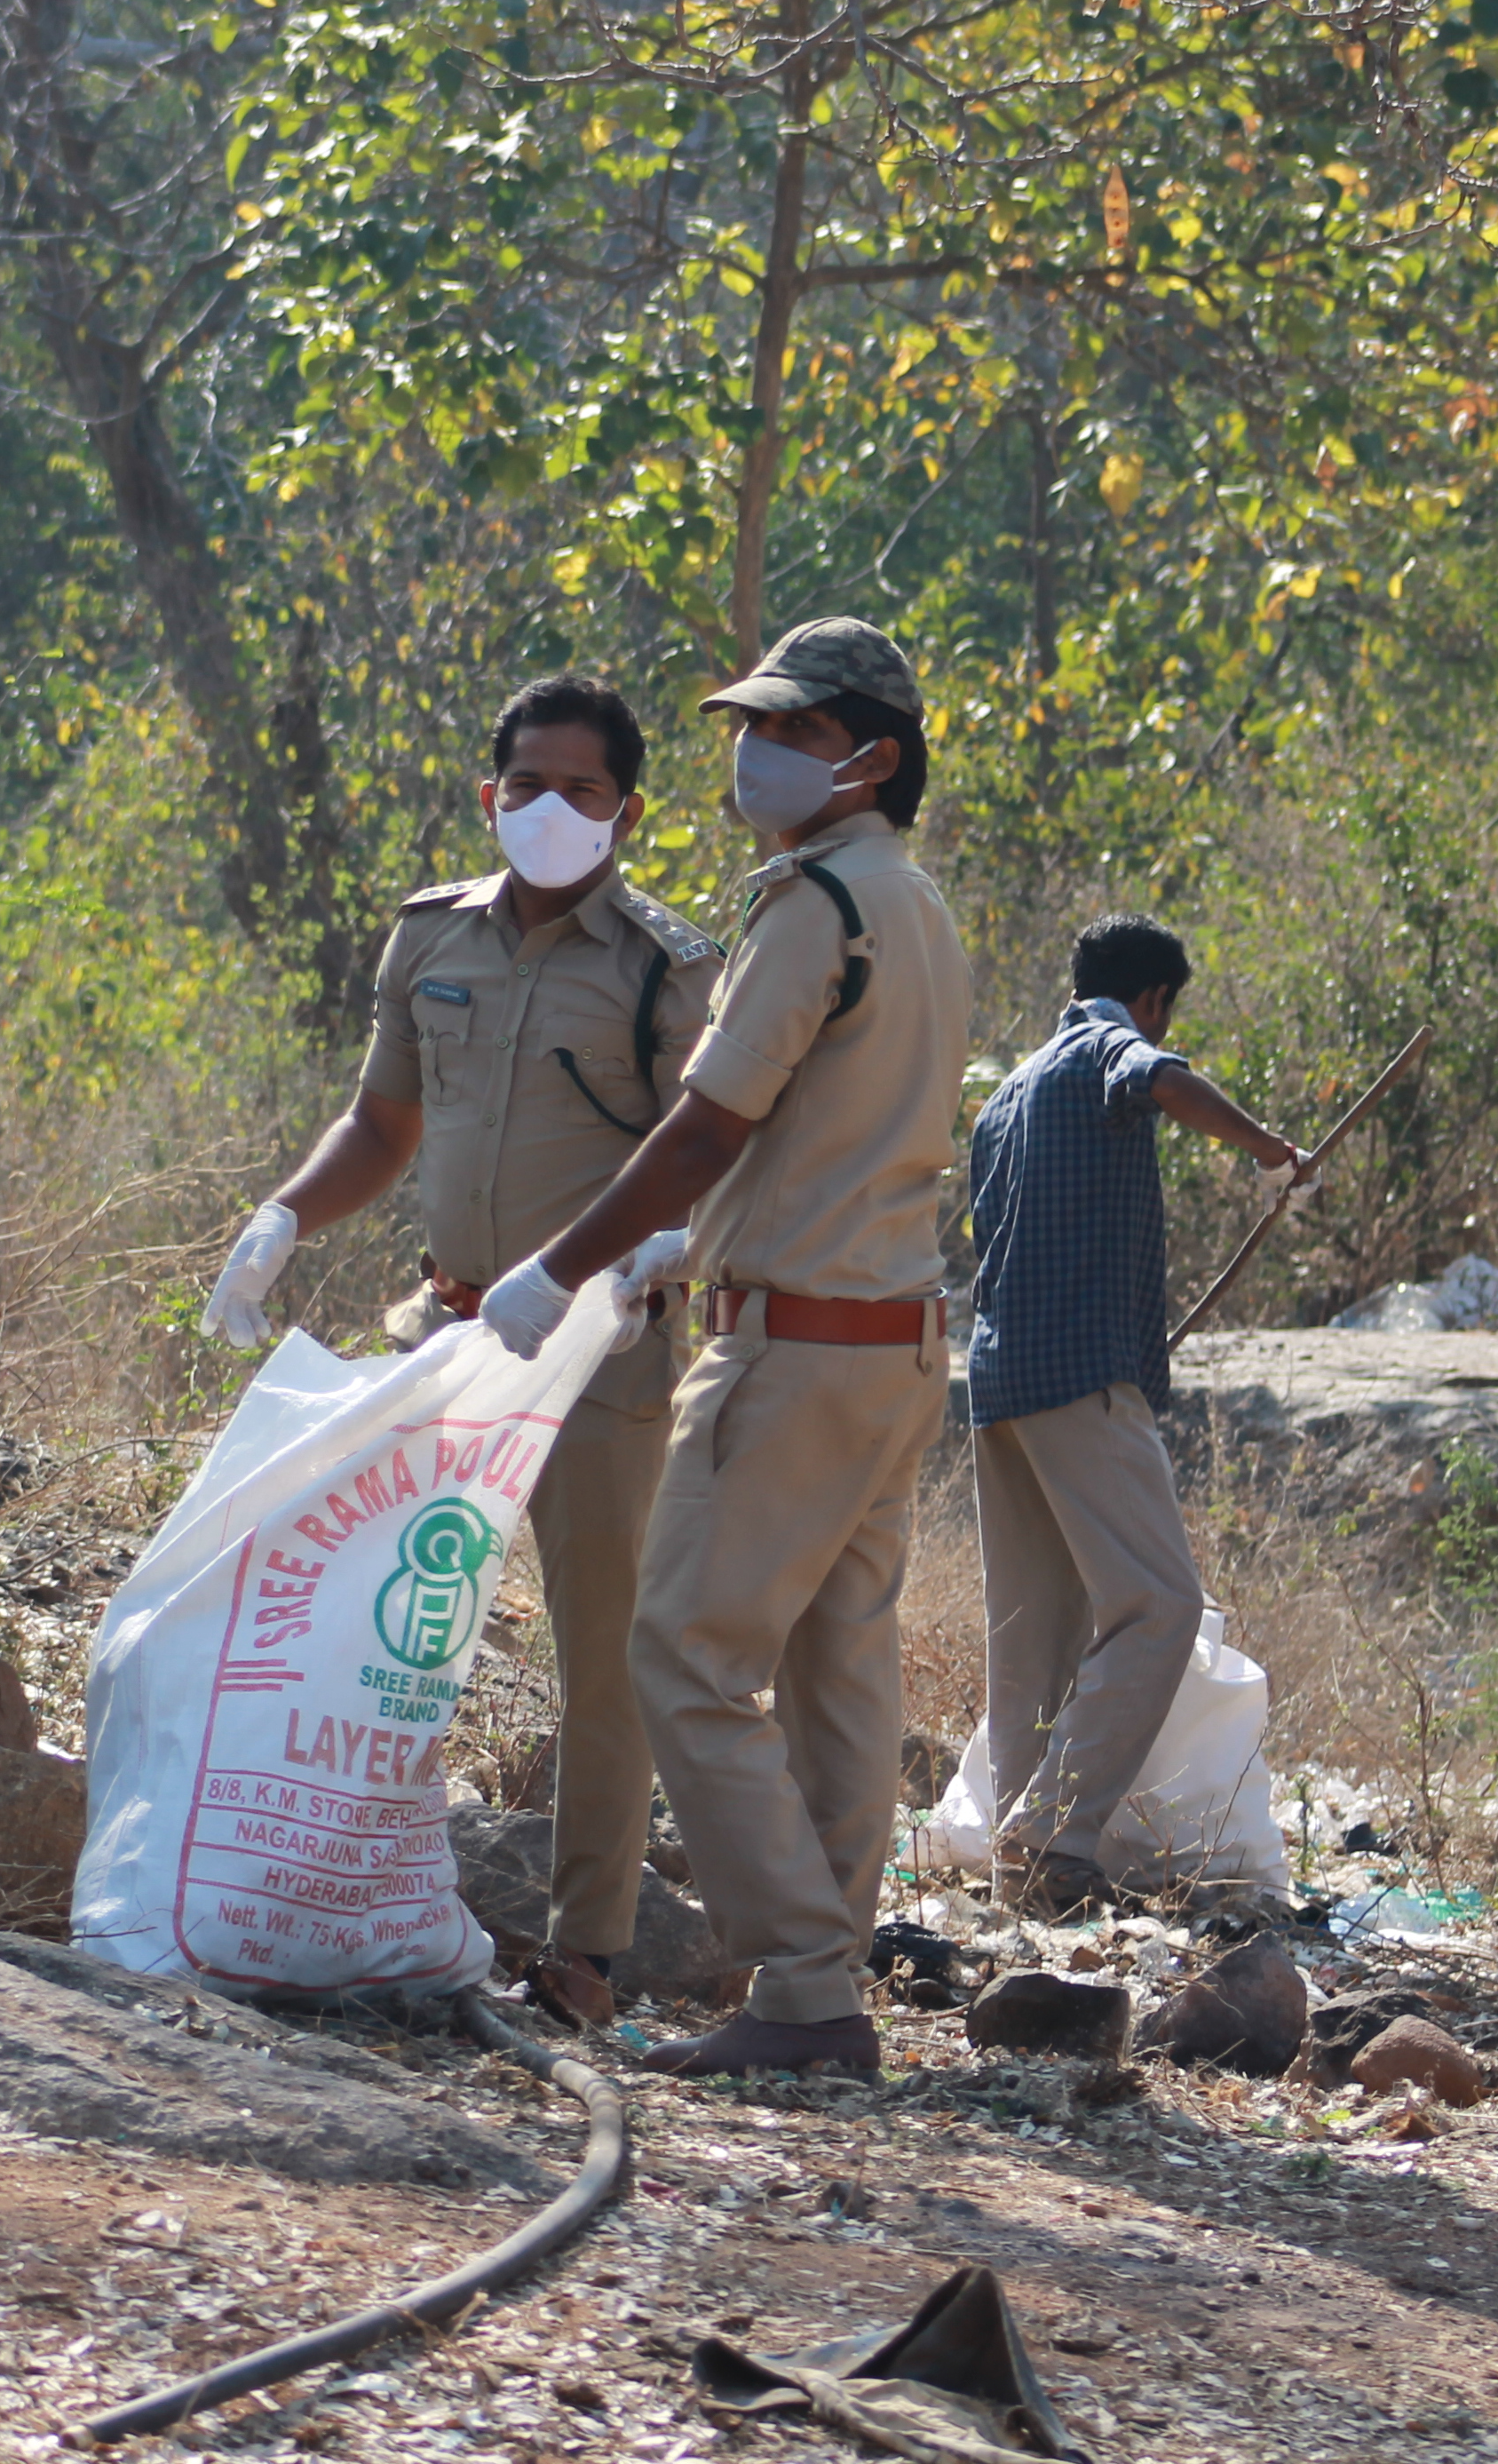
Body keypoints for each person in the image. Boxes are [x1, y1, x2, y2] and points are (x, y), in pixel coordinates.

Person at [476, 616, 966, 2080]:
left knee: (678, 1650)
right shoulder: (913, 902)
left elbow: (709, 1120)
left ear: (869, 756)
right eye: (754, 726)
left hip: (793, 1350)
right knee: (835, 1673)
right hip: (886, 1332)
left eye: (792, 734)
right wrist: (688, 1242)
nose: (754, 754)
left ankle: (809, 1991)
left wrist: (555, 1266)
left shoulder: (812, 902)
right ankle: (823, 1979)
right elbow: (842, 1129)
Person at [202, 674, 723, 2027]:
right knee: (387, 1621)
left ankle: (587, 1950)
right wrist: (281, 1218)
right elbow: (384, 1124)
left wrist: (659, 1255)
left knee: (600, 1648)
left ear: (631, 812)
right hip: (447, 1333)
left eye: (587, 790)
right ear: (488, 794)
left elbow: (707, 1150)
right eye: (528, 784)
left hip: (599, 1346)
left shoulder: (669, 965)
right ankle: (351, 1886)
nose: (554, 810)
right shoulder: (429, 938)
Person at [963, 915, 1308, 1918]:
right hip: (1081, 1376)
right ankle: (1048, 1833)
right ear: (1154, 1000)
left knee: (1035, 1634)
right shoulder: (1106, 1047)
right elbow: (1153, 1077)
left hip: (999, 1383)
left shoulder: (1007, 1097)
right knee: (1157, 1608)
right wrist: (1268, 1150)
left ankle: (1018, 1870)